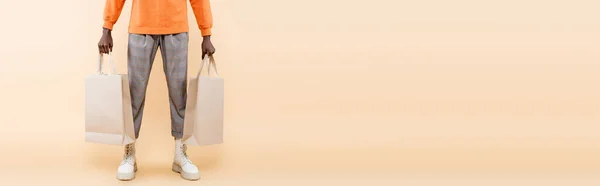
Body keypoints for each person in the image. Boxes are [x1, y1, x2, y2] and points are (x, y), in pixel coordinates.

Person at [97, 0, 216, 181]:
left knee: (179, 95)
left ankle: (179, 152)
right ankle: (130, 151)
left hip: (176, 28)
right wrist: (107, 28)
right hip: (140, 28)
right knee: (134, 94)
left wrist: (206, 33)